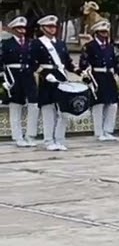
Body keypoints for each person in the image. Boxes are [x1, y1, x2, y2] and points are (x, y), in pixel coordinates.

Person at [31, 15, 73, 151]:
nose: (52, 29)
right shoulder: (37, 43)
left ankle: (60, 139)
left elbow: (67, 62)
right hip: (47, 80)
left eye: (54, 26)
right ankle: (48, 140)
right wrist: (44, 74)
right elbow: (32, 63)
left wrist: (80, 71)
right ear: (43, 28)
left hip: (60, 79)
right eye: (49, 26)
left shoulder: (60, 44)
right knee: (48, 111)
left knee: (63, 111)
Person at [77, 19, 118, 141]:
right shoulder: (89, 46)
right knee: (98, 105)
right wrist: (87, 75)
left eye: (106, 32)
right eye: (102, 32)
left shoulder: (110, 47)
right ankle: (99, 131)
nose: (105, 34)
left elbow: (114, 62)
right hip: (97, 76)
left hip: (109, 76)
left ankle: (108, 130)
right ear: (96, 33)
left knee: (112, 104)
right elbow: (83, 63)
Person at [1, 16, 39, 147]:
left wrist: (32, 69)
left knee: (34, 105)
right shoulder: (6, 43)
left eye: (23, 28)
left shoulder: (31, 43)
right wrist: (3, 78)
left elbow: (35, 60)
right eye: (19, 28)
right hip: (14, 76)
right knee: (15, 107)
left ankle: (30, 135)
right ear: (13, 29)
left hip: (28, 75)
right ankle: (17, 136)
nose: (22, 31)